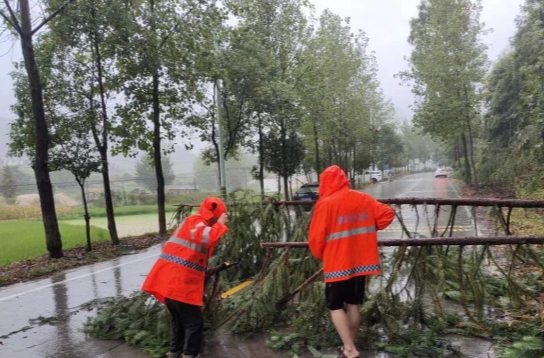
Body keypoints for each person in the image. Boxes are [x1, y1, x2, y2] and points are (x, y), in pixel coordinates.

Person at [308, 165, 394, 358]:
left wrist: (320, 254)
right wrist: (369, 231)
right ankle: (348, 346)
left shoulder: (325, 204)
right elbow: (387, 213)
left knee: (335, 305)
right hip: (362, 262)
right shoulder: (362, 198)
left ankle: (350, 349)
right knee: (353, 305)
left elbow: (315, 239)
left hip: (337, 263)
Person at [142, 197, 229, 358]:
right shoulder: (196, 221)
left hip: (171, 281)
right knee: (193, 323)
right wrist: (221, 224)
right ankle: (190, 354)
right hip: (179, 282)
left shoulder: (198, 223)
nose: (221, 219)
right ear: (214, 213)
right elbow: (208, 237)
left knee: (179, 321)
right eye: (220, 215)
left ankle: (174, 352)